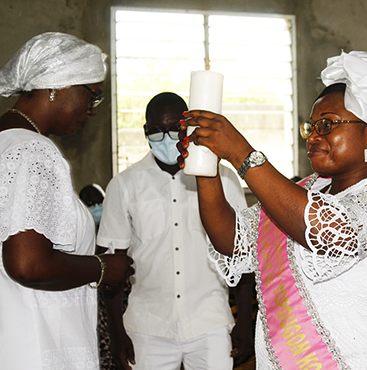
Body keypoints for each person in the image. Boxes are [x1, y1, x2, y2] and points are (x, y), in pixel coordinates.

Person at [178, 51, 367, 368]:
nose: (314, 135)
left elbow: (331, 230)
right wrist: (206, 168)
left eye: (327, 124)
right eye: (312, 126)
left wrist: (242, 155)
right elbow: (231, 240)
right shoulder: (304, 192)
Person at [0, 32, 134, 369]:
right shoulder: (32, 151)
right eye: (92, 96)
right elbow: (27, 264)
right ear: (56, 85)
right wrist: (103, 267)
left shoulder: (6, 142)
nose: (91, 110)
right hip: (38, 343)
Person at [97, 92, 252, 370]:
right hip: (147, 324)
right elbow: (112, 267)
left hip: (209, 320)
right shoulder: (125, 185)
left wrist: (244, 322)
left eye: (173, 129)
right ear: (146, 131)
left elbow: (241, 257)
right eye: (156, 130)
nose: (165, 137)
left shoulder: (223, 180)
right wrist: (117, 333)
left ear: (188, 129)